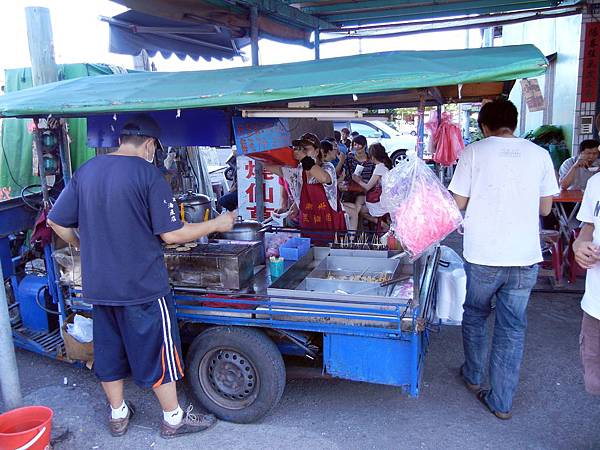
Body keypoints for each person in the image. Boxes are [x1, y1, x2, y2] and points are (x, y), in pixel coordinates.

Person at [47, 114, 236, 439]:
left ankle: (118, 415)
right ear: (149, 145)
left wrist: (82, 246)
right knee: (159, 349)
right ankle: (173, 418)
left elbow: (56, 222)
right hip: (143, 286)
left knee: (108, 350)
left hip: (101, 286)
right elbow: (173, 235)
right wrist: (217, 224)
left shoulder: (87, 171)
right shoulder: (148, 175)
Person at [448, 99, 559, 420]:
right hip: (524, 257)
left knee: (476, 314)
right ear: (514, 122)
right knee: (512, 329)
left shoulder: (474, 152)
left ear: (484, 126)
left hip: (483, 254)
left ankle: (472, 375)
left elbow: (459, 202)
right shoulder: (540, 155)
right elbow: (545, 209)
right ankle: (501, 401)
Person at [265, 133, 345, 243]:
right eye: (300, 149)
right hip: (307, 224)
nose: (302, 151)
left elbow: (323, 177)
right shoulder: (297, 170)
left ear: (317, 152)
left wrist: (303, 158)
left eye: (306, 149)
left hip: (329, 225)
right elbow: (268, 166)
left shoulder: (327, 167)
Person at [572, 175, 600, 396]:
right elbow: (589, 226)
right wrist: (579, 245)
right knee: (595, 382)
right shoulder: (596, 183)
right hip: (595, 307)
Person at [339, 135, 375, 233]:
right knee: (354, 207)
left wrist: (362, 181)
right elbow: (345, 173)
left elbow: (373, 178)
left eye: (360, 145)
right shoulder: (350, 157)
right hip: (351, 189)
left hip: (365, 189)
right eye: (355, 144)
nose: (357, 147)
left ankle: (353, 234)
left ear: (365, 146)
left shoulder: (371, 160)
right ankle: (354, 232)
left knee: (357, 206)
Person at [352, 143, 392, 220]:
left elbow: (367, 187)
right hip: (385, 197)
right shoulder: (385, 165)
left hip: (382, 202)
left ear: (373, 157)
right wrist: (361, 180)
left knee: (361, 209)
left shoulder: (379, 167)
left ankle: (383, 225)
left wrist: (357, 180)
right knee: (359, 199)